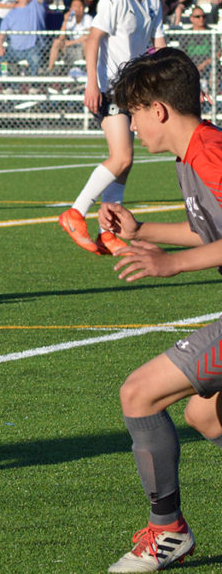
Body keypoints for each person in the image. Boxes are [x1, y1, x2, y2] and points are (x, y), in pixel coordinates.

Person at [95, 47, 214, 573]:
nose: (132, 126)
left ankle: (168, 532)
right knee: (206, 413)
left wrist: (173, 265)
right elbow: (206, 232)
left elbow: (198, 247)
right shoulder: (194, 155)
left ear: (158, 110)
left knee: (139, 393)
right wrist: (141, 232)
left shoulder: (209, 154)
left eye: (134, 112)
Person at [58, 0, 166, 255]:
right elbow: (93, 40)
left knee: (125, 164)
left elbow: (159, 50)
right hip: (111, 89)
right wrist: (92, 84)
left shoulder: (153, 4)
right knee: (122, 157)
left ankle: (108, 231)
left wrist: (181, 80)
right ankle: (75, 213)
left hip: (134, 91)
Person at [0, 0, 47, 76]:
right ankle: (8, 86)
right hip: (14, 49)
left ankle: (34, 86)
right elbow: (1, 34)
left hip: (32, 48)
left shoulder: (36, 6)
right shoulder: (10, 14)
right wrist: (0, 45)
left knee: (35, 58)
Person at [47, 0, 93, 72]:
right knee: (56, 42)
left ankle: (89, 70)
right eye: (75, 6)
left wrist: (71, 43)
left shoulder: (88, 18)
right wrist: (65, 21)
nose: (77, 9)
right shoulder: (69, 19)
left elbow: (87, 37)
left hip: (81, 49)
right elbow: (61, 37)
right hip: (69, 48)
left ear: (83, 8)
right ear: (71, 8)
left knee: (85, 42)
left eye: (79, 6)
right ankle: (50, 70)